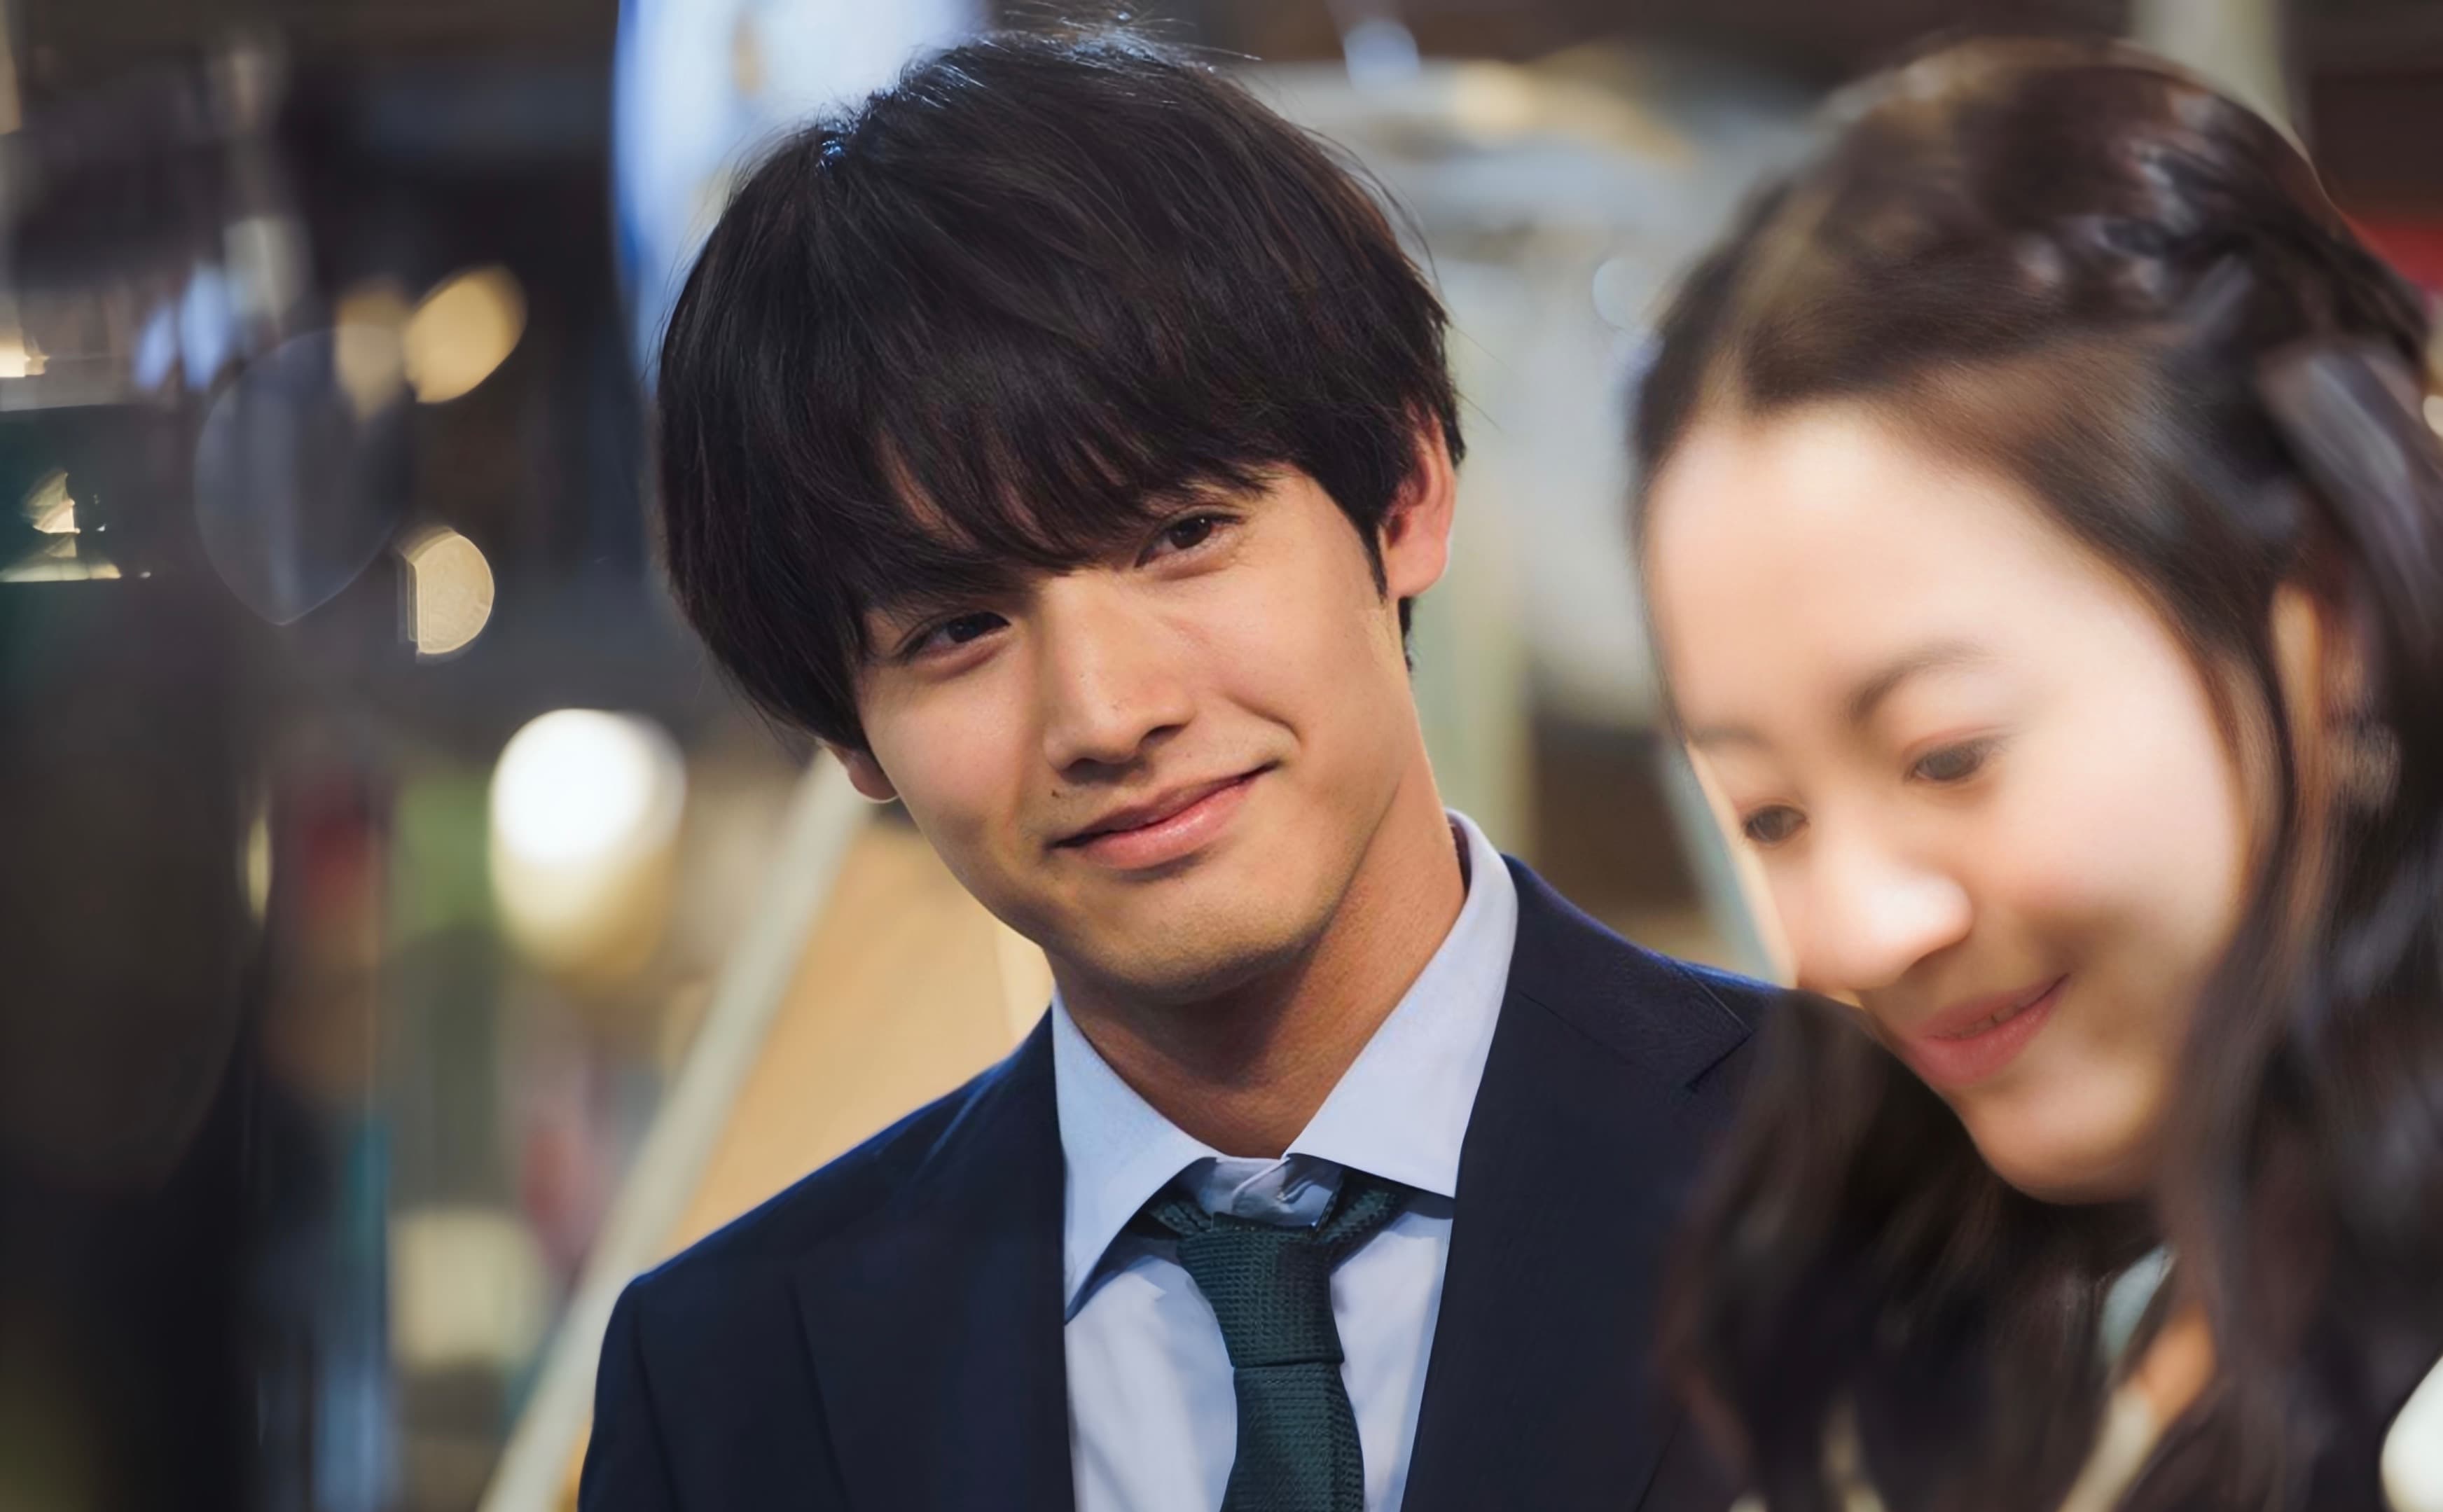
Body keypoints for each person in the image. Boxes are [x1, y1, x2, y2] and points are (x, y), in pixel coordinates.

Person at [583, 30, 1784, 1512]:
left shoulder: (1888, 1178)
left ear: (1405, 497)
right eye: (958, 629)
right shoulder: (729, 1383)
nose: (1105, 713)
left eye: (1181, 535)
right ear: (849, 735)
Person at [1633, 39, 2443, 1512]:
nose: (1854, 938)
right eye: (1770, 814)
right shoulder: (2021, 1338)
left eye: (1949, 756)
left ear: (2339, 622)